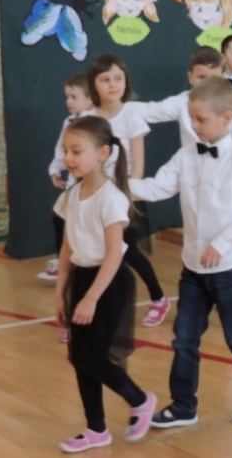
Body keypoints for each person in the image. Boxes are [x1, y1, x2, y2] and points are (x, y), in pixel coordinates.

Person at [129, 76, 232, 428]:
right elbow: (158, 187)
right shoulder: (186, 156)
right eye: (191, 118)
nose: (193, 125)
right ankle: (183, 405)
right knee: (184, 338)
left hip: (230, 270)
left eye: (200, 119)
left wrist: (221, 244)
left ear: (227, 118)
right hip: (193, 269)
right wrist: (117, 184)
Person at [53, 116, 156, 453]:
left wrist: (91, 298)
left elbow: (114, 254)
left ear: (102, 153)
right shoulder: (72, 194)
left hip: (108, 285)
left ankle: (140, 400)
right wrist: (61, 292)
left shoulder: (111, 198)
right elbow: (67, 247)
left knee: (94, 359)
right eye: (66, 150)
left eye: (76, 151)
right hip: (82, 279)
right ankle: (96, 428)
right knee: (78, 357)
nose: (68, 158)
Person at [81, 55, 170, 327]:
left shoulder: (132, 115)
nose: (112, 84)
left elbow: (138, 164)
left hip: (124, 197)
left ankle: (158, 298)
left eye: (118, 78)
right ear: (94, 85)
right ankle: (92, 309)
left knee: (126, 250)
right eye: (105, 79)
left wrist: (126, 197)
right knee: (94, 253)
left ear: (126, 82)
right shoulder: (87, 118)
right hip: (95, 196)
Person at [140, 46, 232, 160]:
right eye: (201, 77)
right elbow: (150, 111)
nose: (207, 84)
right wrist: (127, 110)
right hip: (193, 168)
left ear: (222, 79)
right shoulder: (182, 101)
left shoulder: (228, 105)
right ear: (190, 77)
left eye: (213, 78)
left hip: (224, 169)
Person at [40, 73, 93, 285]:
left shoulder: (96, 122)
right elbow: (61, 152)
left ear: (90, 99)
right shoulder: (68, 122)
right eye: (67, 97)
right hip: (74, 186)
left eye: (74, 97)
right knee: (61, 218)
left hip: (92, 186)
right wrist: (55, 170)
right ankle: (64, 264)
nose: (68, 101)